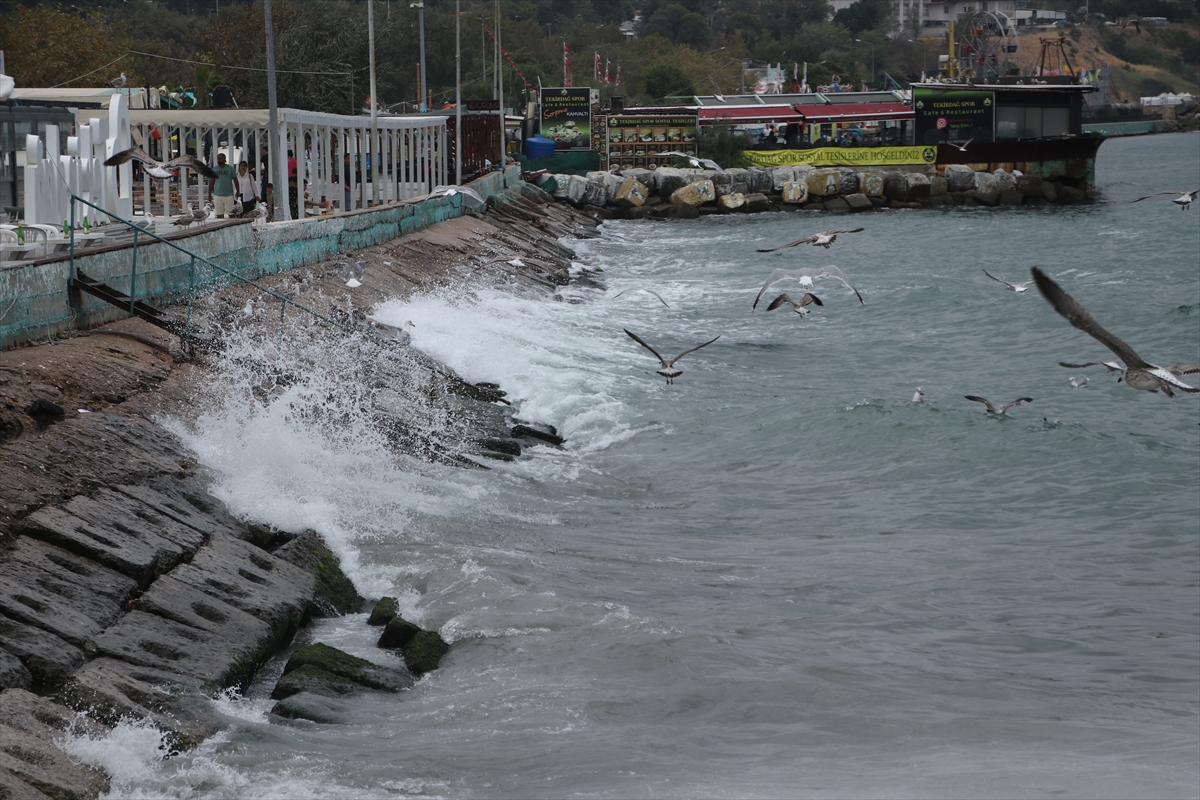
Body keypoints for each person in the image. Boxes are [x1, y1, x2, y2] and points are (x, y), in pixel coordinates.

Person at [208, 152, 237, 219]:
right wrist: (209, 194)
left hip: (229, 195)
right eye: (218, 159)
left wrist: (238, 191)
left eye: (221, 159)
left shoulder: (230, 168)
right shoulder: (214, 169)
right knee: (219, 214)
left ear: (225, 159)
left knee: (231, 213)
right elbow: (211, 182)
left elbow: (236, 180)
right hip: (217, 195)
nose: (219, 160)